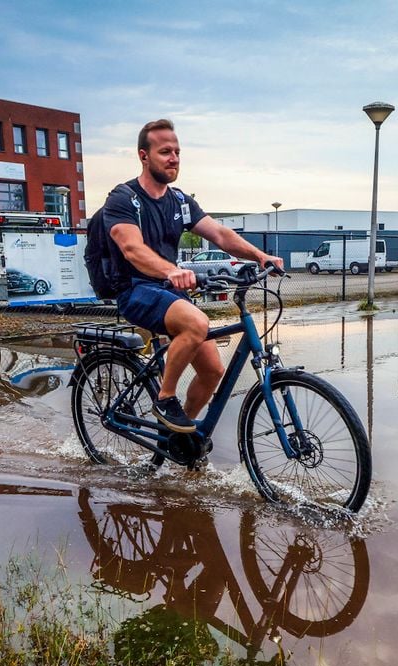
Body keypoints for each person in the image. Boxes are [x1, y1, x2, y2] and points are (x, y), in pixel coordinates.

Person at [103, 118, 283, 434]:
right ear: (143, 156)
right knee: (196, 323)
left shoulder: (181, 202)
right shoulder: (123, 198)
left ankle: (179, 437)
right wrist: (172, 270)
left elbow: (220, 234)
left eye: (177, 152)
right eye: (164, 152)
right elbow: (132, 248)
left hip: (169, 292)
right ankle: (165, 397)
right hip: (135, 289)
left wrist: (260, 255)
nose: (173, 158)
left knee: (213, 370)